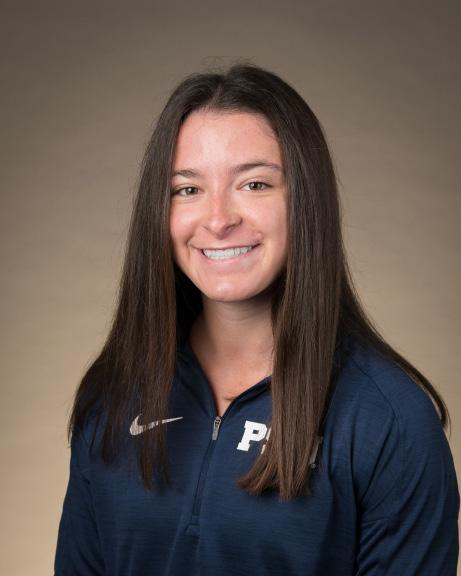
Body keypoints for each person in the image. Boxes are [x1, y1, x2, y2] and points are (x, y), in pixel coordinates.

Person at [54, 64, 459, 575]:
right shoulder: (113, 398)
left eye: (254, 183)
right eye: (187, 189)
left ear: (305, 201)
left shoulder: (388, 420)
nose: (219, 219)